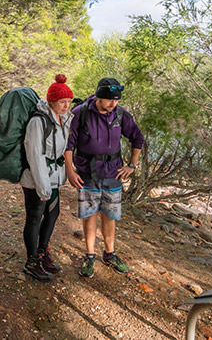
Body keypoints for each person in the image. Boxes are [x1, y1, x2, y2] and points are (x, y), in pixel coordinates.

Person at [64, 77, 144, 278]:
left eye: (116, 101)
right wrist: (70, 171)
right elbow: (68, 145)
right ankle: (89, 255)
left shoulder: (120, 115)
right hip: (86, 174)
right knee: (89, 215)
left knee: (109, 215)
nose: (113, 104)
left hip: (113, 173)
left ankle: (109, 253)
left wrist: (131, 165)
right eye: (109, 100)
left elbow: (137, 138)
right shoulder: (79, 114)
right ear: (99, 96)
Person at [19, 74, 73, 281]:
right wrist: (43, 188)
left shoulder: (63, 119)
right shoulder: (38, 122)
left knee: (52, 215)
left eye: (68, 101)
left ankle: (42, 253)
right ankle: (31, 261)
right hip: (36, 180)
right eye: (62, 102)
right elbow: (35, 156)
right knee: (34, 217)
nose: (66, 105)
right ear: (52, 101)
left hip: (52, 179)